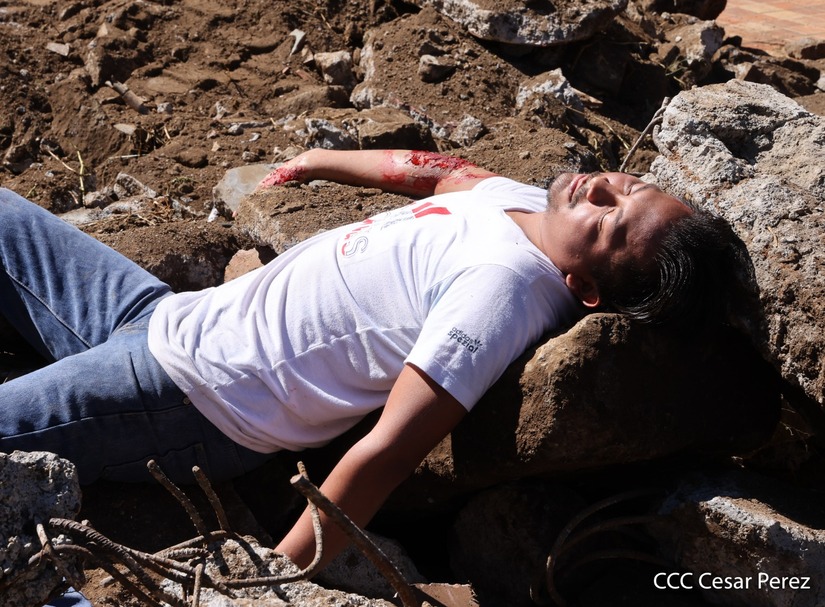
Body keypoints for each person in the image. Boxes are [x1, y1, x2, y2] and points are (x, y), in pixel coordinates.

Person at [0, 148, 735, 580]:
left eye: (608, 221)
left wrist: (272, 581)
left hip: (187, 396)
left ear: (585, 289)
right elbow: (436, 173)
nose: (599, 187)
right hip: (163, 315)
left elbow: (386, 452)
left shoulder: (503, 293)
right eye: (627, 185)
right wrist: (320, 162)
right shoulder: (522, 201)